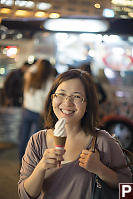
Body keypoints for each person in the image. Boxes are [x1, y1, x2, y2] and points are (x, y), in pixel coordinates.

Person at [18, 69, 132, 199]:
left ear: (87, 104)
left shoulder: (102, 141)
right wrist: (41, 167)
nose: (67, 103)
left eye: (77, 96)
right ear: (52, 98)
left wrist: (100, 169)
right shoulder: (37, 141)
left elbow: (128, 187)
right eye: (61, 94)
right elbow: (24, 194)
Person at [18, 59, 54, 163]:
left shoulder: (30, 76)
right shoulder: (48, 81)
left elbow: (31, 69)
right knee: (35, 140)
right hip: (38, 113)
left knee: (23, 137)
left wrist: (38, 64)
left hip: (27, 110)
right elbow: (47, 99)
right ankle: (30, 162)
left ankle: (21, 161)